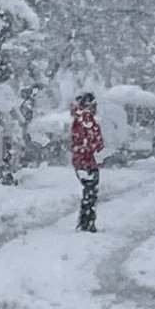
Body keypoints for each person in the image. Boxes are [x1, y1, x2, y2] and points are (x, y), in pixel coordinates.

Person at [70, 92, 104, 232]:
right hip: (87, 161)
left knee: (89, 191)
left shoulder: (81, 119)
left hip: (83, 160)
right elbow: (88, 140)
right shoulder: (85, 120)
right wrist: (96, 149)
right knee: (90, 191)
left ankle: (86, 221)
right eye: (93, 104)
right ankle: (87, 222)